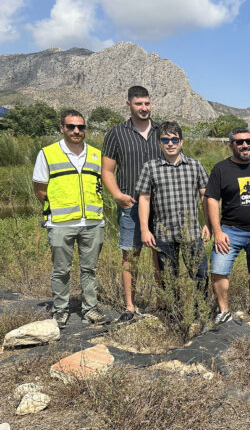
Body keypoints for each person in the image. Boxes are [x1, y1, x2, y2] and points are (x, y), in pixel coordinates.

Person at [33, 109, 106, 327]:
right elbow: (39, 189)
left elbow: (102, 184)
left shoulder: (96, 154)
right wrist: (57, 208)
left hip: (92, 223)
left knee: (90, 269)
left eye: (81, 127)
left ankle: (90, 309)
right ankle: (60, 310)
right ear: (62, 128)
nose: (76, 131)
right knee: (61, 270)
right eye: (71, 127)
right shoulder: (47, 153)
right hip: (61, 223)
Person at [102, 85, 162, 321]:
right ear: (129, 105)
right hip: (131, 203)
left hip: (161, 205)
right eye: (139, 104)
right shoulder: (116, 133)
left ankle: (162, 304)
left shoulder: (162, 131)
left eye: (147, 103)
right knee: (130, 256)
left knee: (161, 256)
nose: (144, 108)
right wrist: (117, 195)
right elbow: (107, 171)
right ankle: (130, 306)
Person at [136, 121, 210, 305]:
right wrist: (145, 230)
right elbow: (144, 199)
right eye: (165, 140)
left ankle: (199, 310)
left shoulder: (195, 166)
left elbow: (205, 196)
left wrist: (208, 223)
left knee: (200, 274)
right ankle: (173, 315)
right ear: (159, 143)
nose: (170, 143)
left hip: (191, 232)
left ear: (181, 142)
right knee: (169, 278)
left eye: (174, 139)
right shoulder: (150, 167)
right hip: (164, 233)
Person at [205, 127, 250, 324]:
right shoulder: (220, 169)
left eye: (248, 141)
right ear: (231, 145)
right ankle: (223, 310)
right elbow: (212, 200)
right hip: (230, 231)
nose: (245, 145)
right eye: (240, 142)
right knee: (218, 268)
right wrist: (217, 231)